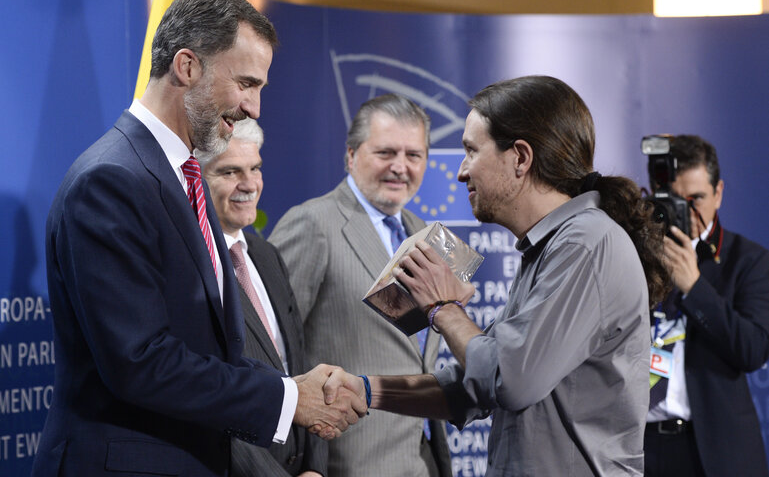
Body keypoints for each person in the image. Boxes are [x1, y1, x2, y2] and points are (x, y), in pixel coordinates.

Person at [33, 0, 363, 477]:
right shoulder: (111, 180)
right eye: (246, 83)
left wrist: (293, 386)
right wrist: (288, 398)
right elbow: (140, 361)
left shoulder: (184, 176)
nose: (254, 108)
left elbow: (209, 351)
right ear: (186, 67)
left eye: (260, 89)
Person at [326, 75, 670, 476]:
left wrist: (442, 308)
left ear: (520, 158)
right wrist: (366, 391)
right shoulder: (550, 248)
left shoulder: (586, 243)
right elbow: (471, 384)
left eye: (471, 151)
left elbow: (510, 378)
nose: (460, 172)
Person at [269, 94, 452, 477]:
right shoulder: (312, 224)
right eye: (386, 152)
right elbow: (271, 355)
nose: (400, 167)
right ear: (351, 155)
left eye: (414, 155)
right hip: (342, 465)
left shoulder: (425, 233)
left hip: (422, 463)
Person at [197, 119, 327, 477]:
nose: (250, 184)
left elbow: (298, 366)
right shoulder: (191, 267)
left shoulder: (266, 255)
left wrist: (315, 468)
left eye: (255, 168)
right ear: (197, 179)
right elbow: (202, 396)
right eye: (230, 172)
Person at [644, 135, 769, 476]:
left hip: (713, 450)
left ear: (719, 193)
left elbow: (753, 349)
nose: (687, 211)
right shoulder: (637, 257)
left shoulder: (749, 260)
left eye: (696, 198)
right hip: (639, 446)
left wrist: (694, 287)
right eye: (675, 200)